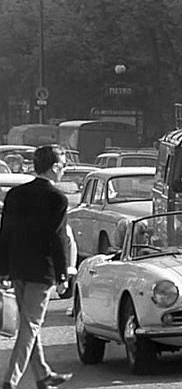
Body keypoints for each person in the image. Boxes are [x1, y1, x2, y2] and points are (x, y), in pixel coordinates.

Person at [0, 145, 73, 389]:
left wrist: (3, 270)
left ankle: (43, 374)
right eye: (63, 166)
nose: (64, 171)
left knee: (30, 325)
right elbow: (58, 238)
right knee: (30, 326)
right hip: (42, 271)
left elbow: (5, 233)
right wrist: (63, 274)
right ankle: (10, 382)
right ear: (54, 168)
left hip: (17, 268)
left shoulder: (15, 195)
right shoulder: (57, 198)